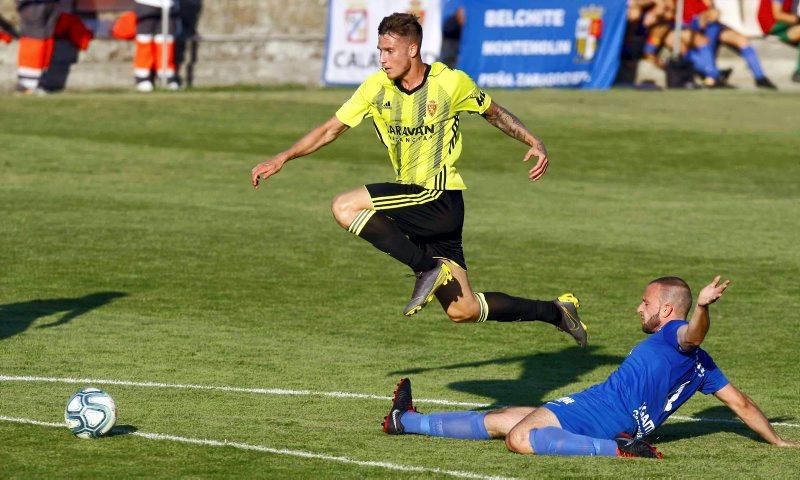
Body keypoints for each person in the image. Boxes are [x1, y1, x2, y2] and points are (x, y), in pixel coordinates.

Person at [250, 13, 588, 347]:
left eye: (390, 51)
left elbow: (495, 113)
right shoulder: (375, 88)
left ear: (413, 50)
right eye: (380, 51)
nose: (383, 59)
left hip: (438, 197)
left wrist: (534, 141)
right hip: (418, 204)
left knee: (344, 206)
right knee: (462, 309)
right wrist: (283, 157)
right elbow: (330, 129)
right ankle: (558, 312)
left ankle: (427, 268)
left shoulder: (450, 83)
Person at [383, 276, 800, 459]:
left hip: (604, 412)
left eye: (646, 302)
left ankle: (617, 450)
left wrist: (704, 308)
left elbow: (694, 335)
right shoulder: (704, 369)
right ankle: (406, 422)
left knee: (520, 438)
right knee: (504, 418)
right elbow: (742, 405)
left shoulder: (676, 336)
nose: (639, 307)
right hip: (607, 410)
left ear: (668, 309)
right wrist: (776, 442)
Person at [132, 0, 180, 92]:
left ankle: (166, 74)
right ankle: (142, 76)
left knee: (166, 40)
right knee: (144, 39)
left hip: (169, 5)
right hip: (146, 3)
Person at [759, 0, 800, 82]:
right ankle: (798, 73)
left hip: (785, 24)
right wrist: (797, 20)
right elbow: (777, 15)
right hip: (771, 24)